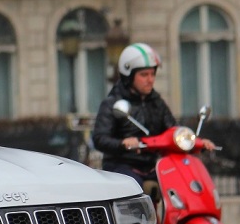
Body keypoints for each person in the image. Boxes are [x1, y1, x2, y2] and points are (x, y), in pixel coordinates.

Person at [92, 42, 215, 188]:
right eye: (144, 74)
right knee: (133, 188)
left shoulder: (156, 102)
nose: (150, 80)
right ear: (128, 77)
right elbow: (99, 138)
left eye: (152, 74)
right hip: (121, 166)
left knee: (181, 181)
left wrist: (197, 143)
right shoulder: (113, 104)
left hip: (151, 166)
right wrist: (122, 144)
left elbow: (173, 130)